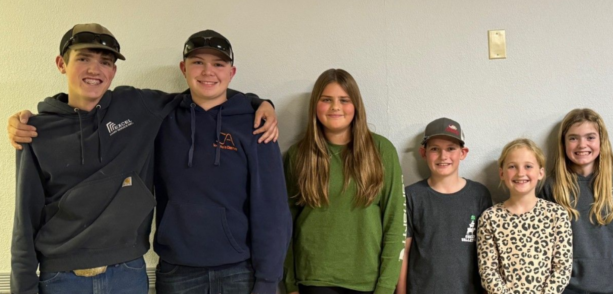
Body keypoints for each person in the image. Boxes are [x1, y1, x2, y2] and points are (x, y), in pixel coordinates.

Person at [10, 23, 276, 294]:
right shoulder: (34, 132)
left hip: (129, 273)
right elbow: (24, 219)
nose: (94, 70)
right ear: (61, 63)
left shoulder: (137, 106)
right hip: (61, 277)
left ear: (114, 71)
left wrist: (259, 102)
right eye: (83, 58)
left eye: (105, 62)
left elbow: (208, 94)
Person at [152, 30, 291, 294]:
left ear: (232, 72)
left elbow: (272, 209)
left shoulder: (256, 125)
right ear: (183, 68)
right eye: (197, 62)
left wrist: (268, 280)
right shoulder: (162, 119)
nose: (208, 72)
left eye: (218, 64)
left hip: (239, 271)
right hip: (176, 271)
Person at [283, 68, 405, 294]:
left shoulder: (381, 151)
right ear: (315, 105)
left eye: (344, 100)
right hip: (314, 280)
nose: (335, 107)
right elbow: (284, 225)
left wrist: (387, 286)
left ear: (356, 105)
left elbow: (395, 223)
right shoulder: (298, 155)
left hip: (367, 281)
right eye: (326, 99)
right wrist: (290, 284)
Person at [538, 108, 613, 294]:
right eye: (573, 138)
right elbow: (541, 248)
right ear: (563, 143)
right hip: (563, 290)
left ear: (601, 141)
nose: (581, 145)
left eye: (590, 137)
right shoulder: (551, 188)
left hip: (612, 289)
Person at [396, 117, 492, 294]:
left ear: (463, 153)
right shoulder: (411, 196)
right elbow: (403, 254)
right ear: (423, 153)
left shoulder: (479, 195)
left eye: (451, 148)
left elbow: (488, 253)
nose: (443, 156)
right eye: (435, 149)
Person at [477, 138, 573, 294]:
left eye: (528, 166)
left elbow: (562, 268)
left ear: (540, 172)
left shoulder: (556, 215)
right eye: (512, 167)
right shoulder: (490, 218)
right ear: (501, 173)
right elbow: (488, 271)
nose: (520, 173)